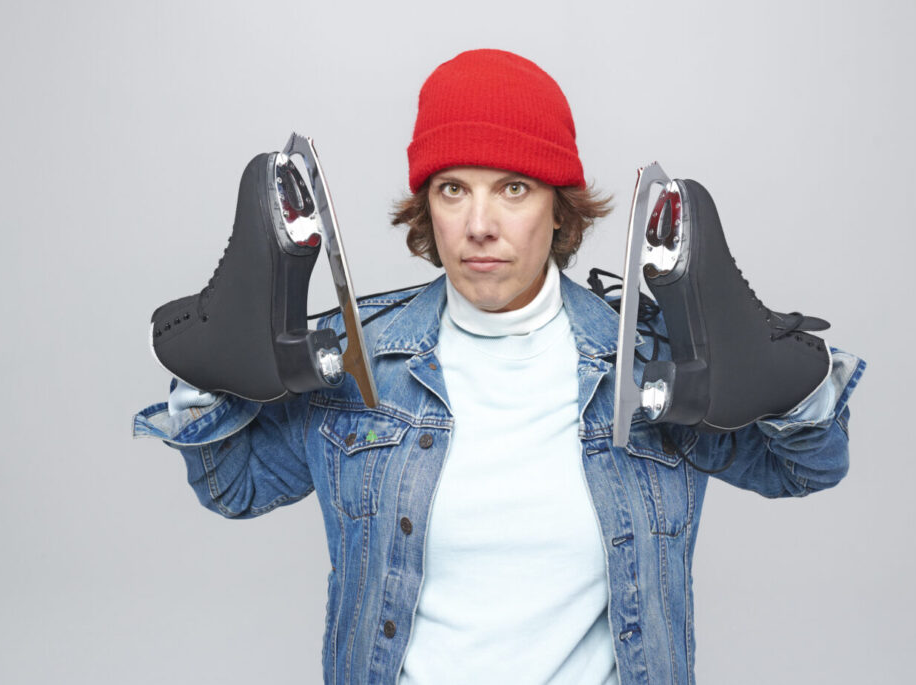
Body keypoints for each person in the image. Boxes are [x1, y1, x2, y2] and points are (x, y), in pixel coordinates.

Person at [133, 49, 866, 685]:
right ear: (428, 208)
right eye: (454, 189)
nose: (479, 223)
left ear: (558, 209)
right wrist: (212, 376)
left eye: (513, 188)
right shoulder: (353, 366)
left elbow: (804, 469)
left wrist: (790, 387)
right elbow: (234, 488)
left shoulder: (651, 371)